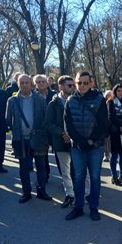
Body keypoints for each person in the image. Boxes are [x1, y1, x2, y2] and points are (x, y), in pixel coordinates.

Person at [64, 71, 109, 221]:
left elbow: (103, 124)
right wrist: (79, 141)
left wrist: (91, 141)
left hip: (95, 146)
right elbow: (68, 124)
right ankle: (78, 207)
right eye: (79, 83)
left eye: (85, 82)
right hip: (77, 147)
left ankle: (94, 207)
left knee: (95, 177)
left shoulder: (99, 99)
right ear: (75, 83)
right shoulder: (70, 100)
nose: (82, 86)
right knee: (78, 177)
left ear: (91, 83)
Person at [6, 74, 52, 203]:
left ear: (31, 84)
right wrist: (16, 131)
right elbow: (8, 119)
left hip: (38, 139)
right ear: (18, 84)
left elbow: (45, 118)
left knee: (41, 167)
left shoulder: (40, 99)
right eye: (22, 83)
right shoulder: (12, 100)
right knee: (24, 168)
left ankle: (41, 191)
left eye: (27, 82)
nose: (25, 85)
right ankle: (26, 192)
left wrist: (43, 136)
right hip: (21, 140)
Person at [46, 75, 75, 209]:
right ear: (61, 86)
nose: (73, 87)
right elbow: (49, 124)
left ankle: (82, 194)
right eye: (69, 85)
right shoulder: (53, 103)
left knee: (79, 170)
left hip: (76, 142)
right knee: (65, 171)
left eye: (73, 85)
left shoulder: (76, 100)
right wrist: (62, 133)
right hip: (60, 141)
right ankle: (69, 194)